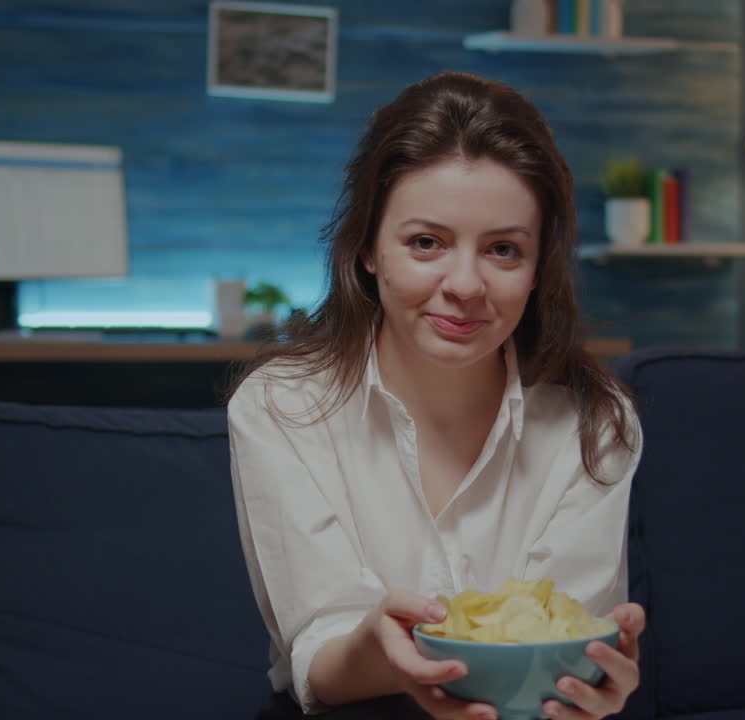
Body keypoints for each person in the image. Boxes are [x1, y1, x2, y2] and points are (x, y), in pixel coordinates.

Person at [227, 71, 645, 720]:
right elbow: (320, 662)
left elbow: (561, 645)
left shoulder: (596, 425)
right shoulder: (279, 408)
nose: (465, 285)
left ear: (538, 270)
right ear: (367, 247)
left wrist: (587, 686)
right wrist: (387, 648)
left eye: (504, 249)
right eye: (427, 243)